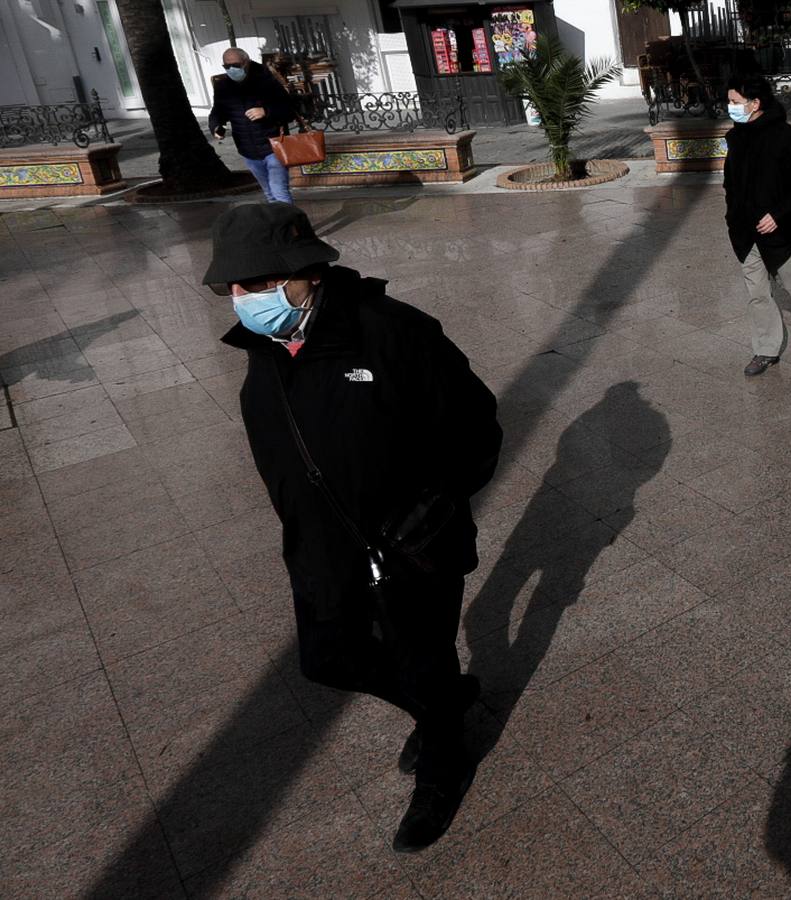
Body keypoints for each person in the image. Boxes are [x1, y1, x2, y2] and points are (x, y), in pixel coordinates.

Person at [202, 202, 502, 853]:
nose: (240, 298)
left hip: (412, 547)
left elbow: (476, 428)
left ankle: (443, 764)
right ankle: (441, 704)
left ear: (304, 271)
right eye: (231, 286)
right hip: (321, 549)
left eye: (253, 283)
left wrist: (434, 506)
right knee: (326, 659)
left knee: (422, 656)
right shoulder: (265, 350)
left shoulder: (392, 332)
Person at [723, 74, 791, 376]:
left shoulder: (787, 137)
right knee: (758, 293)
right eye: (729, 101)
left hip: (782, 231)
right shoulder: (735, 137)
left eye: (735, 102)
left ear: (755, 103)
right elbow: (731, 184)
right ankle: (766, 349)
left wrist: (778, 215)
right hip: (744, 232)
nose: (730, 107)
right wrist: (733, 216)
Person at [209, 48, 296, 203]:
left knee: (279, 192)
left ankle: (291, 226)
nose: (231, 69)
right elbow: (218, 111)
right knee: (269, 194)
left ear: (246, 62)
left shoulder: (266, 80)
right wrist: (216, 126)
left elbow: (288, 109)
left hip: (273, 145)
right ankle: (281, 225)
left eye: (235, 65)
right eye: (226, 66)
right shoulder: (223, 86)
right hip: (248, 149)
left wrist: (266, 111)